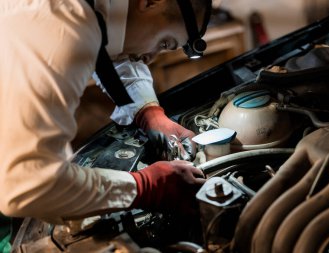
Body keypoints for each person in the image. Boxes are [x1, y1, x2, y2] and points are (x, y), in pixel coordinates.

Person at [0, 0, 212, 251]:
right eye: (164, 42)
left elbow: (111, 46)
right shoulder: (63, 24)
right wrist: (143, 186)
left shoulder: (95, 9)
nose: (151, 57)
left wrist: (149, 111)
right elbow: (29, 184)